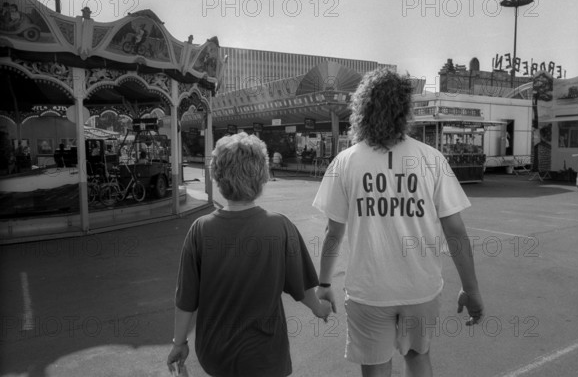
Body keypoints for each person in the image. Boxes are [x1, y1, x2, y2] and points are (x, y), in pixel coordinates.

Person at [312, 68, 484, 377]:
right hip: (420, 288)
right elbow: (455, 230)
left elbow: (333, 233)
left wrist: (324, 283)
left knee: (376, 369)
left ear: (361, 109)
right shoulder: (431, 159)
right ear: (406, 109)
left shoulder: (346, 162)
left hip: (369, 291)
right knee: (418, 358)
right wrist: (471, 289)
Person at [167, 132, 332, 377]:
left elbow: (186, 299)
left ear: (217, 177)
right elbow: (302, 289)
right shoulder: (281, 227)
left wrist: (179, 343)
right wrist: (320, 308)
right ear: (262, 176)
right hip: (264, 355)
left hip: (215, 354)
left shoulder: (200, 230)